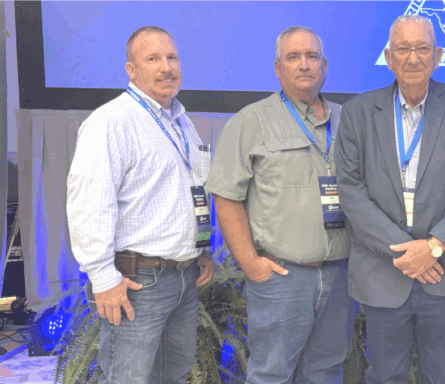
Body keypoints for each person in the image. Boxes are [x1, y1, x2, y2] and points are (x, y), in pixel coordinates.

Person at [334, 15, 445, 384]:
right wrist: (408, 252)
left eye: (422, 48)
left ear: (438, 56)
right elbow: (350, 190)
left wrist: (434, 246)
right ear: (388, 58)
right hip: (383, 272)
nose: (413, 58)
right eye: (403, 49)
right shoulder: (358, 112)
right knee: (384, 376)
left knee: (443, 377)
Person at [67, 26, 215, 384]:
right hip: (137, 282)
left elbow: (192, 191)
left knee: (173, 376)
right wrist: (103, 279)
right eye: (153, 59)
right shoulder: (110, 121)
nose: (167, 67)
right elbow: (89, 204)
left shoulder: (182, 121)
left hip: (184, 277)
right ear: (131, 70)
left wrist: (202, 249)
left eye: (172, 57)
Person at [206, 27, 352, 383]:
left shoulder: (349, 120)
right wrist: (251, 264)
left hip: (341, 276)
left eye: (312, 56)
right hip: (283, 279)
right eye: (293, 57)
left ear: (325, 66)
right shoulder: (250, 121)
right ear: (277, 68)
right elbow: (226, 197)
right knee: (271, 374)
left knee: (327, 372)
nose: (304, 65)